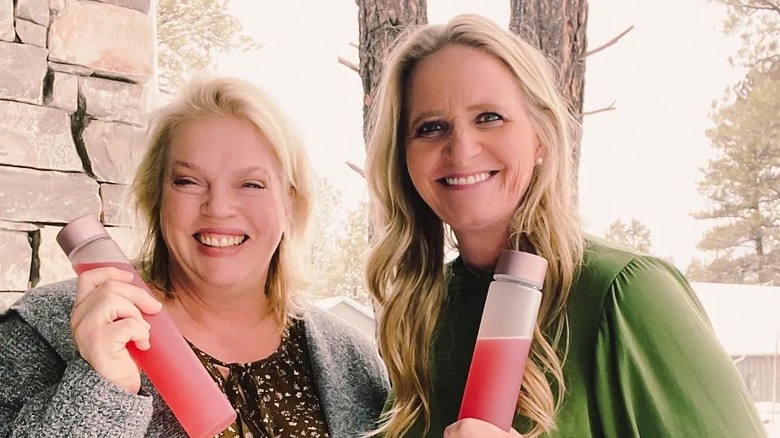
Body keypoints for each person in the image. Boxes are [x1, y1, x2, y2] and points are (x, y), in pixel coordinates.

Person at [362, 13, 765, 438]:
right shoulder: (424, 313)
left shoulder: (625, 294)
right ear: (404, 159)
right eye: (430, 127)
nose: (461, 148)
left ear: (539, 136)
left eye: (490, 117)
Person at [0, 76, 389, 437]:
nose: (218, 208)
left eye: (251, 184)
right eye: (187, 181)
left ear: (291, 204)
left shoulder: (351, 360)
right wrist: (101, 391)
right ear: (156, 196)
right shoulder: (42, 331)